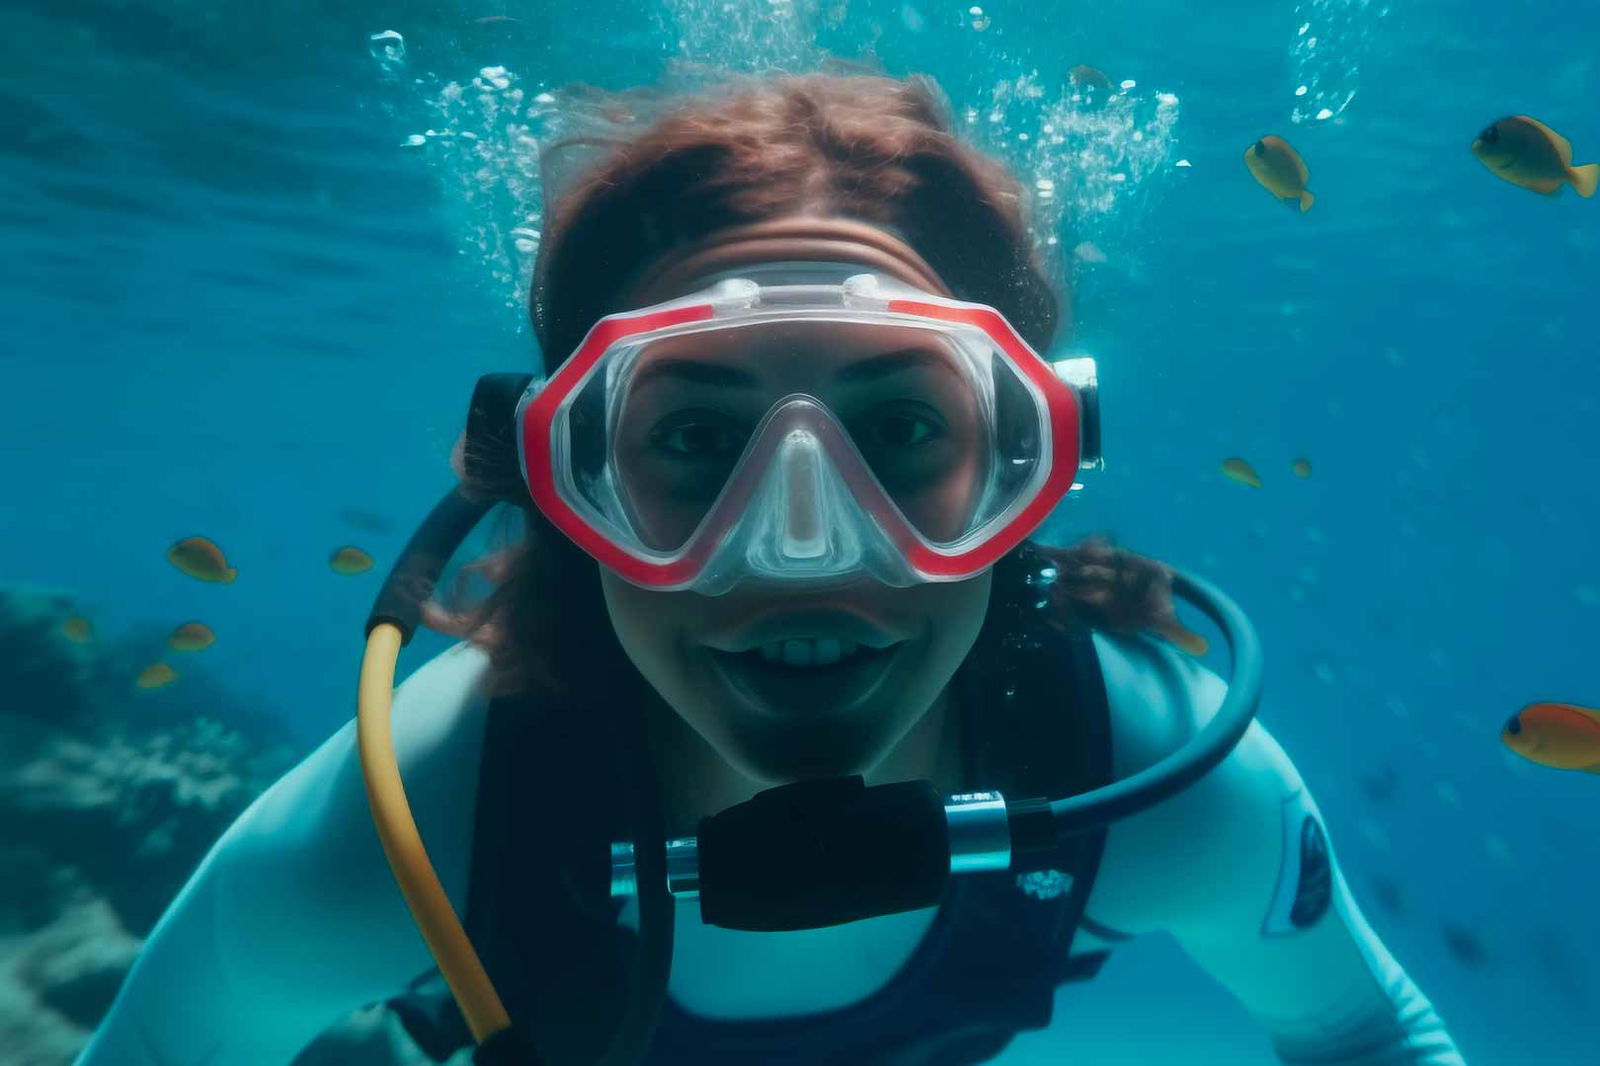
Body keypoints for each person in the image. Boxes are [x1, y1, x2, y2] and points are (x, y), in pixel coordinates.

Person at [75, 72, 1466, 1066]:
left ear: (1027, 458)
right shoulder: (424, 827)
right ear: (564, 477)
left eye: (904, 427)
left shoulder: (1137, 764)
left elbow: (1369, 1034)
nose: (802, 544)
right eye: (693, 437)